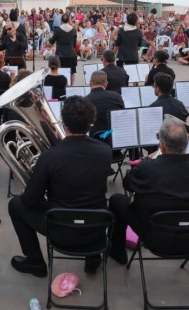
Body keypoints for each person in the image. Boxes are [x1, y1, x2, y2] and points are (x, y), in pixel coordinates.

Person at [8, 96, 111, 277]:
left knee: (16, 204)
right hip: (96, 229)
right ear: (92, 122)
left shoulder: (50, 157)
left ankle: (35, 262)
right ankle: (93, 258)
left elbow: (32, 201)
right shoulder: (105, 151)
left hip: (61, 231)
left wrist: (28, 190)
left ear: (63, 123)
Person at [108, 116, 189, 264]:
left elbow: (127, 184)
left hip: (154, 238)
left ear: (161, 146)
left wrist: (147, 161)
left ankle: (118, 252)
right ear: (187, 141)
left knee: (117, 200)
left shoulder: (148, 168)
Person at [85, 71, 125, 135]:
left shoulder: (85, 101)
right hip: (113, 134)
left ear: (90, 83)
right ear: (106, 84)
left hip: (94, 137)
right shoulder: (116, 96)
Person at [48, 14, 77, 85]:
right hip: (70, 53)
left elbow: (51, 41)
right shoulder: (73, 30)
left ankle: (61, 86)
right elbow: (74, 44)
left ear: (61, 20)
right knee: (72, 72)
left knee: (59, 71)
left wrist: (50, 37)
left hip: (60, 54)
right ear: (69, 20)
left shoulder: (57, 30)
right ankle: (71, 87)